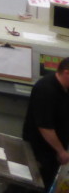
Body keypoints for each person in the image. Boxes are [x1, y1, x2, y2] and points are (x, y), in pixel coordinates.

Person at [23, 57, 69, 188]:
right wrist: (61, 151)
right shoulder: (46, 90)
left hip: (52, 153)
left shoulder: (65, 88)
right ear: (66, 73)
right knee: (33, 186)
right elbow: (45, 127)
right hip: (40, 152)